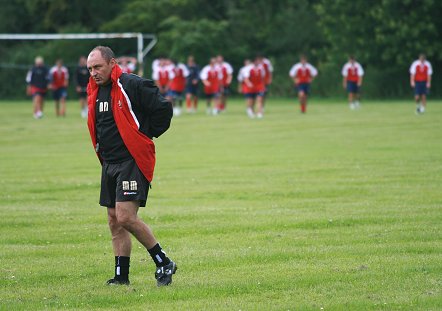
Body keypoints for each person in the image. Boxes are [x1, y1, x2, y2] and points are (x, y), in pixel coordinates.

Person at [86, 46, 176, 286]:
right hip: (110, 163)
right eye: (90, 69)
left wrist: (145, 135)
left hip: (131, 161)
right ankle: (121, 276)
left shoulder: (131, 84)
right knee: (114, 220)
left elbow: (163, 109)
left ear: (112, 63)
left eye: (98, 67)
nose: (94, 73)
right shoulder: (95, 91)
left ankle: (163, 262)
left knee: (126, 216)